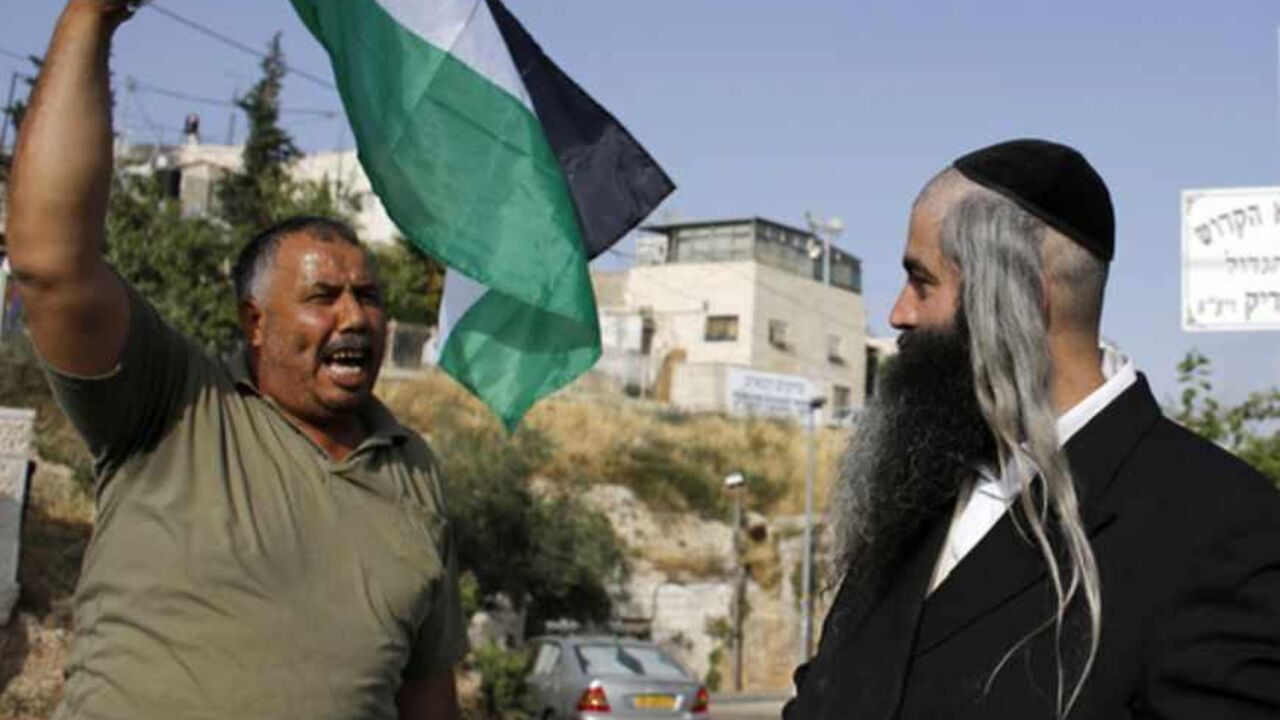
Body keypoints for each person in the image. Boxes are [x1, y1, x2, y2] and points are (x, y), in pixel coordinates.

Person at [4, 2, 466, 718]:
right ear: (255, 322)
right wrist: (90, 17)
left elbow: (427, 693)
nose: (356, 317)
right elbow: (50, 263)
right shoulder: (173, 406)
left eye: (368, 296)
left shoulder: (414, 471)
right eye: (323, 296)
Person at [784, 138, 1280, 719]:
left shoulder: (1220, 526)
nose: (899, 313)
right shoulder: (918, 493)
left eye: (922, 282)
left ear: (1016, 297)